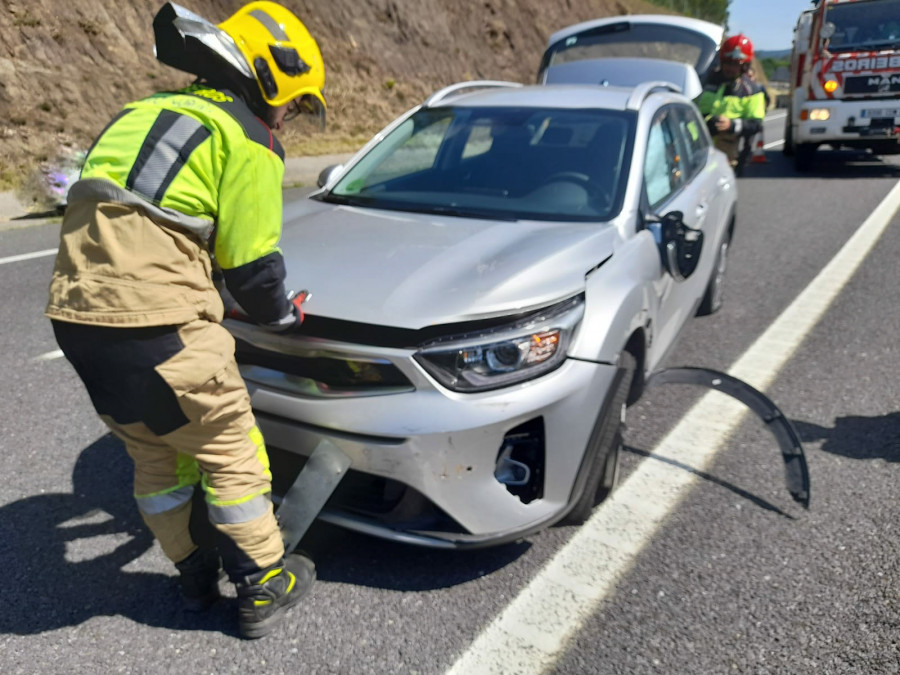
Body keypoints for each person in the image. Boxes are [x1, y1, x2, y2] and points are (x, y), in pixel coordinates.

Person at [45, 1, 326, 640]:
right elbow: (254, 270)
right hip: (159, 327)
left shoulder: (139, 113)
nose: (291, 118)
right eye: (296, 104)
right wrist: (283, 317)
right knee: (230, 453)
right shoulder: (249, 137)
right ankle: (263, 586)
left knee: (154, 453)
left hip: (78, 322)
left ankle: (193, 574)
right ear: (271, 80)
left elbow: (143, 222)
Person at [697, 34, 767, 176]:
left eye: (736, 64)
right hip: (698, 148)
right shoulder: (705, 82)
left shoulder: (751, 91)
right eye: (727, 63)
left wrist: (732, 125)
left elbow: (756, 124)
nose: (730, 68)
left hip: (728, 154)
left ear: (745, 66)